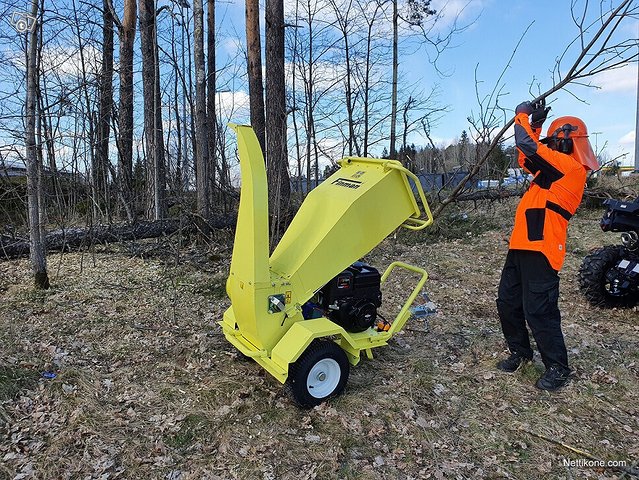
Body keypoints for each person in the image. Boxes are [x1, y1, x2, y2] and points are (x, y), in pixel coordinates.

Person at [496, 99, 599, 391]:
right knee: (507, 302)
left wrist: (523, 116)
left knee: (539, 310)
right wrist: (537, 124)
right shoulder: (548, 170)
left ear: (568, 143)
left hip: (543, 248)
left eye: (554, 141)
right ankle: (520, 352)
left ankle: (558, 366)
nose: (550, 145)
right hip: (520, 245)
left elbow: (529, 146)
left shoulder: (571, 169)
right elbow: (525, 156)